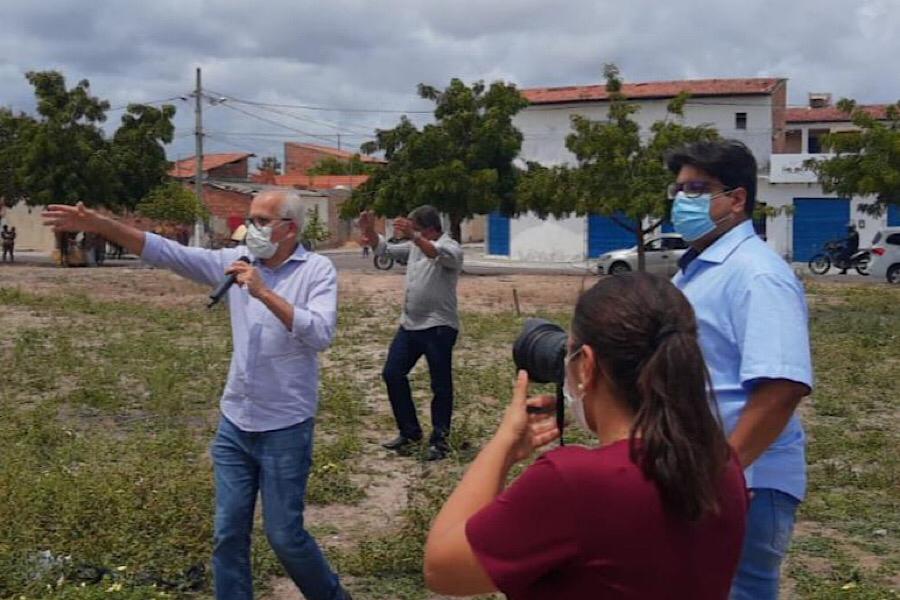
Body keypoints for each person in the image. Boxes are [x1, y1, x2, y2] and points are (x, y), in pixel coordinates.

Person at [42, 192, 352, 600]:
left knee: (285, 536)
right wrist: (102, 224)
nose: (250, 229)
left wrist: (263, 293)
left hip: (285, 427)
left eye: (262, 221)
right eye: (251, 220)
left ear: (290, 228)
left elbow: (321, 334)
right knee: (228, 534)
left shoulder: (317, 270)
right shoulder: (238, 261)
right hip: (236, 422)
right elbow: (167, 251)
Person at [424, 273, 748, 599]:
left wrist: (504, 445)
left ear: (586, 365)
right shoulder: (722, 465)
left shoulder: (574, 482)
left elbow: (442, 569)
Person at [666, 140, 813, 600]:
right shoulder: (696, 271)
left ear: (737, 198)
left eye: (696, 189)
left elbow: (782, 387)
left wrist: (719, 476)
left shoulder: (756, 275)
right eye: (677, 189)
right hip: (709, 477)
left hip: (746, 483)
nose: (681, 200)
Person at [358, 206, 463, 461]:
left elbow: (436, 253)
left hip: (438, 327)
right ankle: (410, 432)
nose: (409, 232)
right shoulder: (415, 246)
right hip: (410, 325)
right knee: (392, 373)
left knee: (440, 385)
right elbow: (384, 250)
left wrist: (415, 237)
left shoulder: (451, 247)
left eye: (414, 227)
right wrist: (370, 231)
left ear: (428, 228)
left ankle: (440, 441)